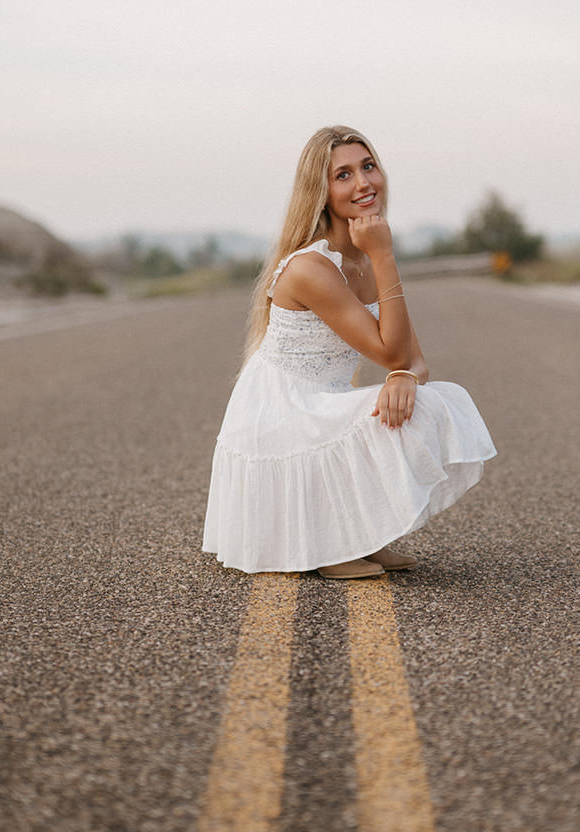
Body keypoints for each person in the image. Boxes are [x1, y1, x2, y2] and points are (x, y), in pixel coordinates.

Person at [202, 125, 496, 579]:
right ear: (320, 192)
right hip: (282, 413)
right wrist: (384, 257)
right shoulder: (311, 268)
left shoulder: (361, 254)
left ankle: (361, 537)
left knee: (434, 399)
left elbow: (412, 359)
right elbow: (388, 350)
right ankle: (329, 547)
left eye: (368, 166)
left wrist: (405, 378)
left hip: (323, 402)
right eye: (343, 175)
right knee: (405, 407)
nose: (363, 183)